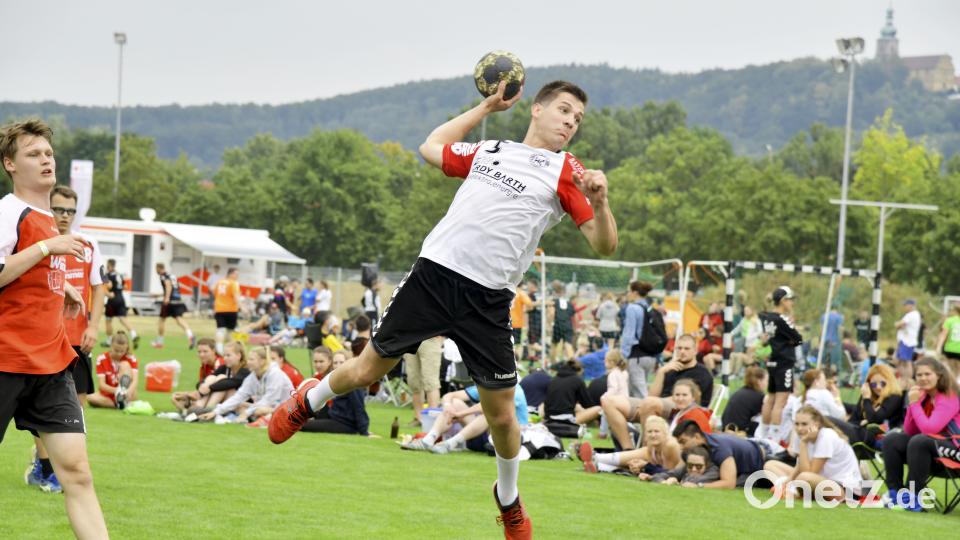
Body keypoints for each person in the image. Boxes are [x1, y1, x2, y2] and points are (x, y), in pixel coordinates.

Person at [268, 79, 617, 539]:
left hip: (488, 299)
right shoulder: (491, 148)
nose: (571, 121)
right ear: (536, 109)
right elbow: (431, 147)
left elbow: (604, 245)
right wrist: (486, 106)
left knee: (503, 417)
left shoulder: (567, 171)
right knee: (368, 370)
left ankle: (508, 500)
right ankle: (308, 399)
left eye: (578, 118)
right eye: (565, 110)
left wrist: (601, 200)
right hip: (434, 276)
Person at [0, 118, 109, 537]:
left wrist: (58, 287)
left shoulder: (48, 218)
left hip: (50, 365)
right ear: (10, 164)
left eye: (48, 153)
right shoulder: (12, 212)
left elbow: (25, 275)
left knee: (77, 473)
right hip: (6, 361)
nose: (45, 159)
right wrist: (47, 248)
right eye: (33, 154)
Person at [601, 333, 713, 450]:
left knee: (649, 403)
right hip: (655, 406)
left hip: (683, 410)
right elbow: (651, 396)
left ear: (695, 351)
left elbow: (687, 400)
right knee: (608, 401)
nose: (682, 351)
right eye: (679, 348)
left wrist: (650, 403)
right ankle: (628, 449)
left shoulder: (702, 373)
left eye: (686, 348)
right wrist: (661, 372)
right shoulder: (671, 369)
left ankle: (646, 453)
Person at [882, 356, 960, 511]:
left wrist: (915, 404)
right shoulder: (923, 396)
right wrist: (913, 404)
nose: (923, 378)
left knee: (920, 441)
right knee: (892, 439)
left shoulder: (949, 396)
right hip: (932, 450)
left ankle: (912, 498)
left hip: (955, 450)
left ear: (939, 375)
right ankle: (896, 494)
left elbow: (930, 429)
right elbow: (910, 430)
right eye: (919, 375)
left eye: (927, 374)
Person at [764, 405, 863, 501]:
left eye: (804, 424)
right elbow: (800, 465)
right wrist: (789, 480)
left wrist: (803, 443)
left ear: (817, 424)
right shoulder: (803, 435)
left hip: (844, 489)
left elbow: (809, 473)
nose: (799, 428)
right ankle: (790, 489)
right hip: (820, 480)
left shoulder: (826, 436)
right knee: (770, 465)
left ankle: (794, 492)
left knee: (804, 478)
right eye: (797, 424)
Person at [199, 346, 293, 424]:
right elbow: (239, 396)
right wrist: (215, 412)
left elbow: (270, 400)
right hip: (270, 407)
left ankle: (256, 420)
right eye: (248, 359)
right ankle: (248, 419)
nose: (248, 362)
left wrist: (247, 413)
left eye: (252, 359)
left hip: (288, 409)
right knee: (238, 405)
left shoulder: (275, 374)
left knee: (258, 411)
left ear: (262, 361)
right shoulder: (253, 376)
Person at [758, 286, 803, 442]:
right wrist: (790, 339)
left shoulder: (766, 317)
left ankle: (763, 434)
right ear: (783, 301)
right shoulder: (781, 319)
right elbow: (799, 338)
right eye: (790, 300)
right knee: (780, 402)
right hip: (784, 363)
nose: (792, 303)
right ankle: (774, 439)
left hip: (772, 361)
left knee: (770, 398)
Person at [673, 419, 766, 489]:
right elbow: (678, 471)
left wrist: (698, 486)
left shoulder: (720, 449)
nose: (681, 447)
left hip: (759, 465)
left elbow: (729, 484)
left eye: (683, 442)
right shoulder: (696, 447)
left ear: (697, 437)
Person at [580, 416, 681, 475]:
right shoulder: (651, 445)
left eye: (657, 431)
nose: (653, 435)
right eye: (649, 432)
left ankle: (597, 460)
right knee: (636, 456)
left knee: (640, 459)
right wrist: (638, 465)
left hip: (674, 475)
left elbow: (668, 474)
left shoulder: (670, 445)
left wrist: (644, 467)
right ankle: (596, 460)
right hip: (657, 467)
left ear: (665, 433)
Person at [301, 350, 372, 436]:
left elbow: (359, 407)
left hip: (344, 423)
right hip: (333, 416)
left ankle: (293, 422)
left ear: (348, 363)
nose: (338, 365)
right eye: (335, 363)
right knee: (316, 401)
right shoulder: (339, 379)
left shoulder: (352, 382)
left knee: (303, 425)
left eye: (341, 362)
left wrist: (364, 432)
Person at [832, 363, 903, 445]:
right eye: (874, 384)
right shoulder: (868, 395)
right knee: (830, 426)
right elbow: (853, 420)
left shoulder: (894, 396)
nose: (878, 387)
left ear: (889, 382)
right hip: (859, 431)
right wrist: (861, 422)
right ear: (868, 384)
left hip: (874, 437)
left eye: (882, 383)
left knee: (829, 421)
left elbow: (873, 419)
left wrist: (866, 399)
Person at [183, 340, 250, 417]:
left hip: (241, 402)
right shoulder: (224, 367)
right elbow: (204, 380)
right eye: (224, 355)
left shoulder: (246, 370)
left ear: (238, 356)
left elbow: (231, 383)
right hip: (225, 401)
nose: (225, 358)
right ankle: (200, 406)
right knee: (211, 378)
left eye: (228, 355)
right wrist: (203, 386)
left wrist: (209, 387)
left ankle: (208, 408)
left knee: (222, 379)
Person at [619, 280, 657, 398]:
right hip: (650, 354)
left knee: (640, 392)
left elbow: (629, 333)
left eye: (629, 291)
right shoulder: (649, 307)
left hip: (636, 354)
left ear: (635, 292)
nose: (628, 294)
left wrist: (623, 354)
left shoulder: (632, 308)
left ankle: (649, 413)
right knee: (637, 388)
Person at [87, 331, 139, 409]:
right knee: (89, 397)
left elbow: (135, 381)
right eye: (116, 350)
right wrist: (117, 391)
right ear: (111, 346)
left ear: (127, 348)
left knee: (124, 364)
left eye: (122, 351)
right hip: (108, 395)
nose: (119, 354)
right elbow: (102, 385)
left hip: (128, 393)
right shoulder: (102, 359)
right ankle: (120, 404)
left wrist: (127, 392)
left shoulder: (131, 358)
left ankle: (123, 400)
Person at [171, 338, 224, 413]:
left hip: (220, 397)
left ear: (214, 351)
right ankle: (186, 412)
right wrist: (187, 395)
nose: (201, 355)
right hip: (207, 395)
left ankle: (194, 411)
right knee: (175, 397)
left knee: (195, 403)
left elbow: (216, 388)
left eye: (205, 351)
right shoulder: (204, 366)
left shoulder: (220, 363)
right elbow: (201, 388)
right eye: (199, 352)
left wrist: (189, 395)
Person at [542, 359, 600, 425]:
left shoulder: (554, 379)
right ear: (579, 370)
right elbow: (587, 404)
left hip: (549, 418)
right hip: (566, 419)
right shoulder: (577, 380)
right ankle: (598, 423)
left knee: (577, 406)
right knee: (598, 409)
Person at [152, 262, 195, 350]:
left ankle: (159, 342)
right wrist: (160, 295)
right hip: (177, 299)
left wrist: (166, 298)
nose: (156, 270)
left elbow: (168, 286)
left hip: (170, 301)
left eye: (156, 269)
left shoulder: (163, 276)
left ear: (158, 268)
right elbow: (174, 288)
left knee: (161, 320)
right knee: (179, 319)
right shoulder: (172, 276)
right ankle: (190, 335)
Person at [403, 336, 443, 427]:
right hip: (411, 338)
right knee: (414, 382)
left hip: (430, 338)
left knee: (431, 382)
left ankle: (433, 420)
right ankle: (418, 418)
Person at [722, 365, 766, 436]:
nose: (767, 383)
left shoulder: (740, 391)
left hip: (726, 428)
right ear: (759, 381)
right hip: (740, 433)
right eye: (766, 380)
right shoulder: (758, 396)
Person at [103, 258, 138, 348]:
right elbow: (124, 286)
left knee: (108, 320)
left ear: (110, 266)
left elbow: (109, 285)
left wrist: (106, 292)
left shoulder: (108, 275)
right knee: (123, 318)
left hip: (113, 299)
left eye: (108, 266)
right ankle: (134, 334)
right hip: (121, 298)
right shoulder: (119, 275)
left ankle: (109, 340)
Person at [650, 446, 721, 486]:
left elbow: (692, 481)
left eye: (698, 466)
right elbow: (658, 476)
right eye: (690, 465)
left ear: (706, 465)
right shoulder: (684, 469)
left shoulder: (713, 472)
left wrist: (676, 482)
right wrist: (664, 482)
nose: (694, 469)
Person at [213, 267, 242, 355]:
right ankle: (230, 349)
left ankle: (219, 349)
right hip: (231, 309)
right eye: (236, 274)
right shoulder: (233, 283)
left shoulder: (219, 282)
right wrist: (241, 307)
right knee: (231, 330)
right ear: (231, 274)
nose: (237, 276)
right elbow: (236, 296)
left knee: (220, 329)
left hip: (219, 309)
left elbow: (214, 292)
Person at [894, 299, 922, 381]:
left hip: (907, 342)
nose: (904, 307)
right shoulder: (915, 314)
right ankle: (903, 378)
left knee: (906, 362)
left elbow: (899, 324)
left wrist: (897, 324)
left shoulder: (911, 314)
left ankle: (908, 380)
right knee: (901, 361)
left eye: (905, 305)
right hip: (907, 341)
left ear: (910, 305)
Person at [548, 280, 575, 362]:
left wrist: (550, 324)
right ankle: (572, 364)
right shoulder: (569, 303)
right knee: (568, 344)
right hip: (568, 324)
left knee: (554, 344)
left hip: (558, 324)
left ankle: (552, 363)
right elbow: (572, 315)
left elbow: (551, 313)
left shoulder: (553, 301)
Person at [509, 283, 534, 362]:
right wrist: (525, 310)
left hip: (506, 321)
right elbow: (530, 304)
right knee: (519, 345)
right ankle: (517, 363)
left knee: (509, 343)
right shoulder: (520, 293)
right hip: (517, 322)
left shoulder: (508, 291)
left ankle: (510, 362)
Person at [935, 301, 960, 378]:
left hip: (950, 348)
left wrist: (938, 347)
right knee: (957, 369)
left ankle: (953, 383)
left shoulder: (950, 320)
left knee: (951, 369)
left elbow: (943, 335)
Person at [821, 305, 844, 375]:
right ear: (836, 309)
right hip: (835, 342)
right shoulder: (839, 317)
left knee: (824, 362)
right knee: (834, 362)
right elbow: (840, 329)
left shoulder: (824, 316)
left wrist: (820, 341)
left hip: (825, 341)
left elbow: (822, 330)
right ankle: (834, 378)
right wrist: (841, 339)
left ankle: (823, 375)